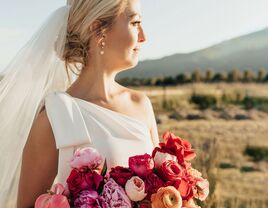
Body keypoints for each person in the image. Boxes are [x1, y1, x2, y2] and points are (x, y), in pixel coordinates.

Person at [0, 0, 160, 207]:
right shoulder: (54, 116)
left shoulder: (141, 105)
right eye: (135, 23)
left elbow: (160, 190)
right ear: (98, 29)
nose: (143, 37)